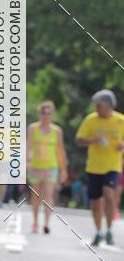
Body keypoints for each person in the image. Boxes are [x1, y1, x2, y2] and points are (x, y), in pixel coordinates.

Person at [75, 89, 124, 247]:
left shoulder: (120, 120)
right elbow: (79, 140)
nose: (96, 109)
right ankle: (98, 232)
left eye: (99, 106)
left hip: (112, 165)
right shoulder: (91, 119)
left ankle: (109, 230)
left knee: (109, 194)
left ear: (108, 106)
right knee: (96, 202)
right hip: (94, 167)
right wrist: (92, 140)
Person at [26, 101, 67, 233]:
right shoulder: (33, 128)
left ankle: (47, 223)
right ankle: (35, 221)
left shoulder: (57, 131)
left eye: (49, 113)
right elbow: (28, 146)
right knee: (35, 196)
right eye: (44, 113)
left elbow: (60, 150)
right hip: (35, 166)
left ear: (52, 114)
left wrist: (63, 169)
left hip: (51, 167)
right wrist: (27, 162)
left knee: (49, 195)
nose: (46, 115)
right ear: (40, 114)